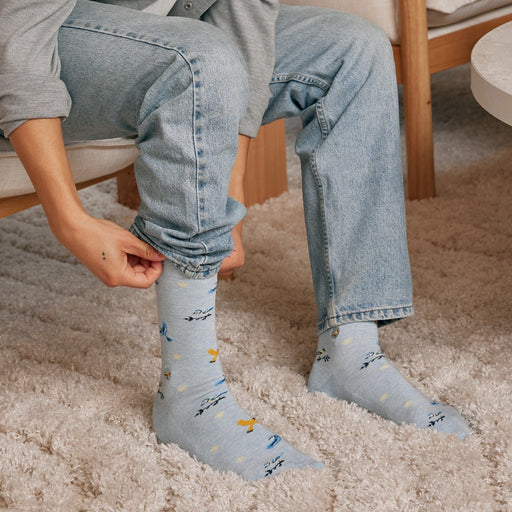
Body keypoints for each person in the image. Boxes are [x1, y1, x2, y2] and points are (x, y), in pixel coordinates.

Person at [0, 0, 470, 481]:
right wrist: (68, 219)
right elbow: (15, 35)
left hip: (149, 30)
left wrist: (231, 196)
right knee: (197, 60)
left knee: (354, 49)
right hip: (22, 41)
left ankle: (352, 351)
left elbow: (242, 11)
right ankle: (192, 396)